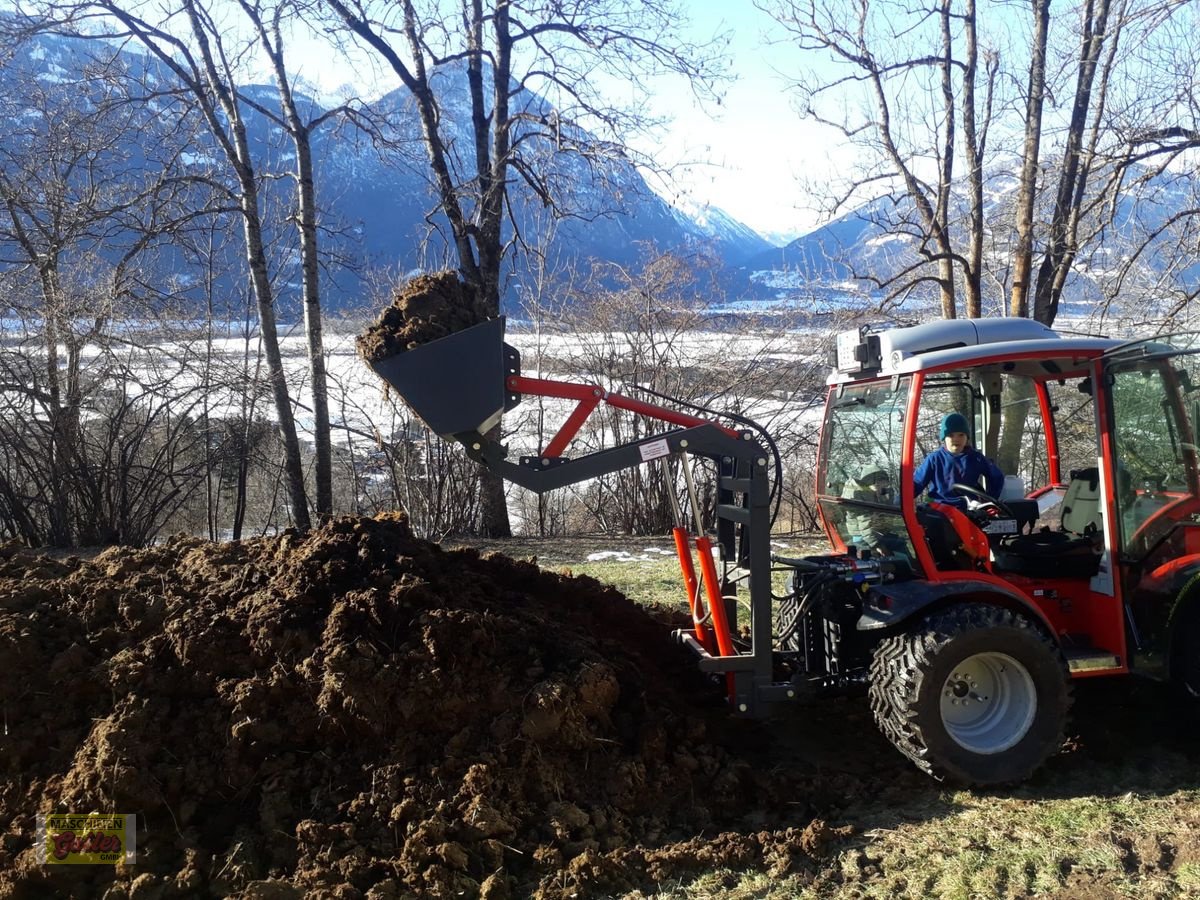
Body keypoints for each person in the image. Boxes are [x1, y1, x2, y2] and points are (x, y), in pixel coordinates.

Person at [913, 412, 1003, 510]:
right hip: (940, 507)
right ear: (944, 438)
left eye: (961, 435)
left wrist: (990, 500)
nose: (956, 439)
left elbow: (997, 477)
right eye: (951, 435)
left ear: (966, 437)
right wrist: (903, 498)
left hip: (968, 508)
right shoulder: (934, 459)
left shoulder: (976, 458)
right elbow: (917, 482)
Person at [842, 462, 904, 553]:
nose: (884, 489)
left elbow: (886, 513)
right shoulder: (861, 497)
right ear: (876, 483)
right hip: (863, 538)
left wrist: (889, 496)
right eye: (883, 486)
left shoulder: (872, 493)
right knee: (898, 549)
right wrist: (877, 545)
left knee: (898, 541)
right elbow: (865, 525)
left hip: (872, 534)